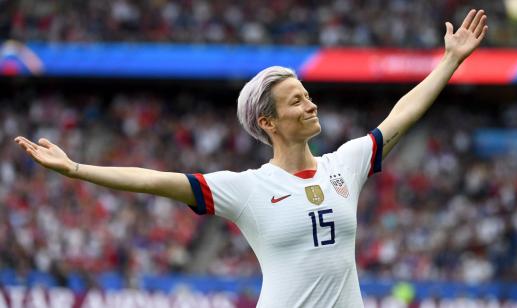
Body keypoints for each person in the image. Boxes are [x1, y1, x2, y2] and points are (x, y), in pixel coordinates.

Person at [15, 9, 488, 308]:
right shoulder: (246, 189)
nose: (311, 104)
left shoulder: (345, 164)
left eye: (308, 95)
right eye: (297, 102)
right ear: (269, 122)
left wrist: (449, 61)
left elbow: (402, 113)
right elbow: (153, 180)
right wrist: (76, 169)